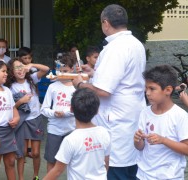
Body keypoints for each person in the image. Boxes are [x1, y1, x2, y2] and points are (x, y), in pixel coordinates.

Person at [73, 4, 146, 179]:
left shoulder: (116, 48)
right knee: (131, 165)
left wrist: (80, 84)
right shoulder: (135, 43)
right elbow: (123, 78)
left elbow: (104, 90)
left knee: (116, 167)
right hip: (132, 110)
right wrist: (94, 73)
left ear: (106, 23)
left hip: (117, 117)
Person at [43, 88, 111, 180]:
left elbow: (57, 171)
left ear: (71, 109)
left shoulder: (70, 140)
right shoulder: (104, 132)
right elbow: (106, 161)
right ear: (97, 110)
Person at [134, 65, 188, 179]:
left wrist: (163, 140)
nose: (147, 93)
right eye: (146, 88)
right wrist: (137, 140)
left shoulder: (180, 116)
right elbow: (140, 147)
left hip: (169, 176)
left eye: (152, 89)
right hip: (144, 175)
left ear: (168, 90)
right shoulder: (145, 112)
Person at [6, 58, 49, 180]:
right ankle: (21, 178)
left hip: (35, 119)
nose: (20, 70)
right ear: (11, 72)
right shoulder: (11, 87)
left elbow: (45, 69)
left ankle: (35, 176)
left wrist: (31, 65)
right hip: (22, 121)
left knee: (35, 153)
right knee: (22, 153)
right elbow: (10, 107)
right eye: (16, 68)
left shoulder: (32, 79)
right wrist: (21, 101)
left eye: (21, 66)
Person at [40, 52, 76, 172]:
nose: (62, 73)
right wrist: (54, 113)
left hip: (72, 129)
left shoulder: (77, 87)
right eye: (59, 70)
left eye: (65, 70)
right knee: (51, 160)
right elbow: (44, 109)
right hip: (54, 129)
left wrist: (65, 113)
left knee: (73, 161)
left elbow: (80, 109)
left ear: (72, 69)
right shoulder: (53, 87)